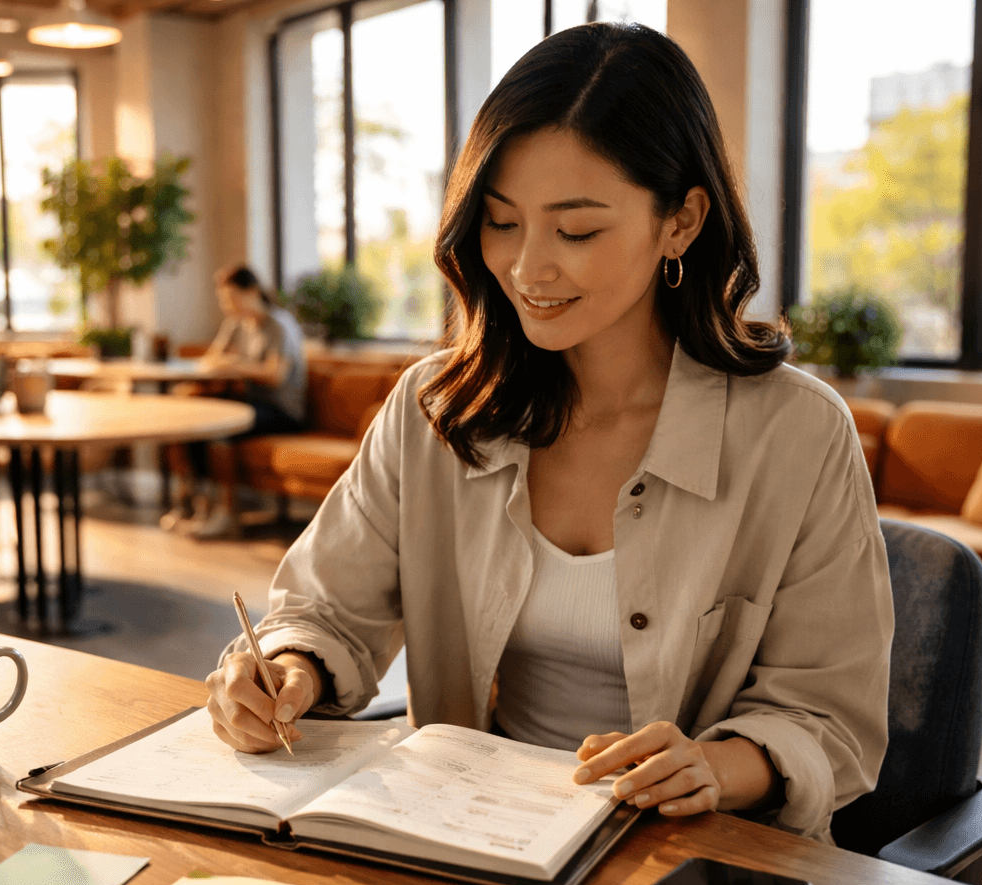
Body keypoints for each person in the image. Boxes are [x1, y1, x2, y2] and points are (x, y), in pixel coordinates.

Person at [203, 24, 893, 842]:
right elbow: (325, 610)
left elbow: (830, 719)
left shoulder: (798, 434)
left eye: (576, 231)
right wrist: (285, 670)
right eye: (501, 222)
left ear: (681, 221)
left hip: (693, 862)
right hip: (468, 842)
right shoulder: (437, 409)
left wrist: (715, 765)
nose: (530, 268)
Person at [161, 265, 307, 539]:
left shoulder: (278, 324)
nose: (228, 306)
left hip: (282, 411)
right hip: (248, 402)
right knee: (187, 421)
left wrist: (238, 364)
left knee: (221, 429)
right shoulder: (235, 324)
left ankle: (226, 514)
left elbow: (275, 375)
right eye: (223, 300)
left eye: (232, 298)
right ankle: (194, 504)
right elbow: (210, 362)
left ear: (252, 292)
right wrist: (229, 365)